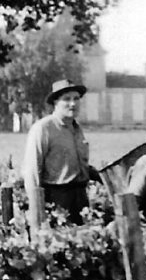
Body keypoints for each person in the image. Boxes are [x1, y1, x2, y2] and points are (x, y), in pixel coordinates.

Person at [21, 79, 100, 225]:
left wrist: (101, 175)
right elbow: (32, 171)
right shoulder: (43, 128)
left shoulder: (76, 129)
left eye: (76, 98)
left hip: (80, 198)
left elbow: (75, 164)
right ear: (55, 103)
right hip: (57, 198)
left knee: (82, 241)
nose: (73, 104)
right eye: (67, 99)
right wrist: (38, 211)